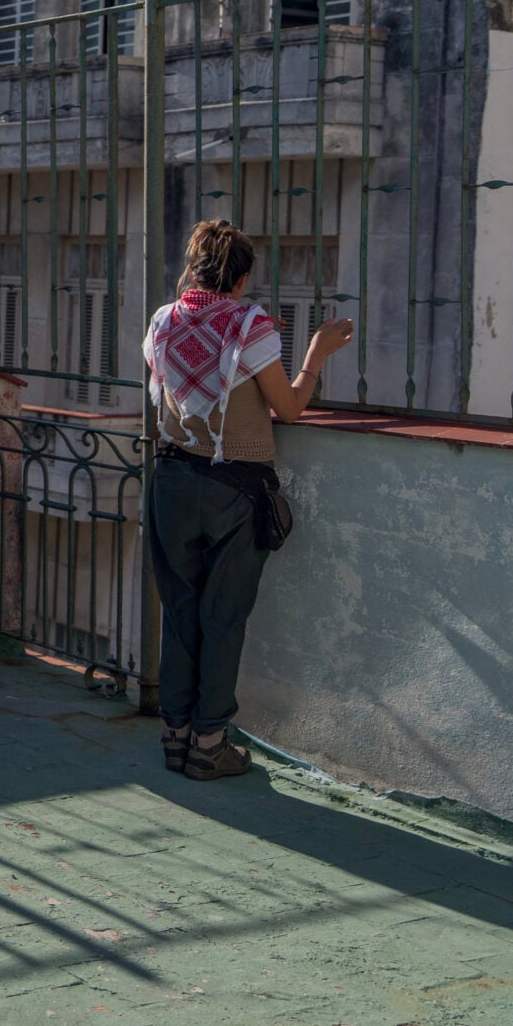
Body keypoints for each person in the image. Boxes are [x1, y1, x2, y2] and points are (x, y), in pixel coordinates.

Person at [143, 220, 352, 781]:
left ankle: (174, 736)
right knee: (223, 618)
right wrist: (315, 354)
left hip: (171, 479)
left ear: (194, 270)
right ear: (240, 278)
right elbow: (290, 408)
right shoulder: (248, 324)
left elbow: (173, 383)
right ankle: (210, 744)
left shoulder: (164, 320)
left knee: (180, 612)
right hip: (233, 488)